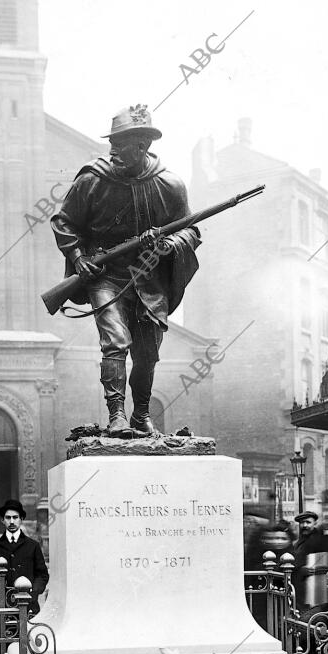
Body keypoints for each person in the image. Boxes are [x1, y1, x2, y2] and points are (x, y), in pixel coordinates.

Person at [51, 103, 201, 434]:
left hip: (149, 278)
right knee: (116, 340)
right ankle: (117, 414)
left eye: (121, 144)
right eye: (112, 143)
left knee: (147, 354)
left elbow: (189, 228)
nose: (113, 150)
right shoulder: (92, 179)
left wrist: (169, 245)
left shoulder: (170, 185)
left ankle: (141, 415)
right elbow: (63, 222)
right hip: (105, 274)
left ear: (143, 146)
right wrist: (79, 259)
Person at [0, 499, 50, 654]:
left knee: (31, 649)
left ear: (21, 519)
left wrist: (32, 594)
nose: (12, 521)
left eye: (15, 517)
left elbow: (42, 575)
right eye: (8, 517)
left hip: (29, 607)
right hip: (5, 608)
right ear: (2, 520)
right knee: (6, 650)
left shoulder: (32, 546)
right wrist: (0, 595)